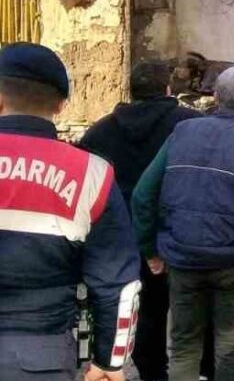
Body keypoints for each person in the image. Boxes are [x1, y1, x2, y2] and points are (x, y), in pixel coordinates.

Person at [131, 66, 234, 381]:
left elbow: (142, 195)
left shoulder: (182, 134)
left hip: (182, 259)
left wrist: (150, 250)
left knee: (183, 344)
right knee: (230, 345)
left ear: (215, 98)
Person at [0, 42, 141, 381]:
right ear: (61, 105)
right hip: (40, 357)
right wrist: (109, 363)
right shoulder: (92, 173)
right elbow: (117, 284)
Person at [79, 61, 215, 381]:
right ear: (168, 88)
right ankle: (203, 371)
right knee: (195, 311)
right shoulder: (192, 125)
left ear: (131, 91)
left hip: (123, 236)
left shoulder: (100, 131)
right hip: (182, 235)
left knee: (145, 313)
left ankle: (153, 373)